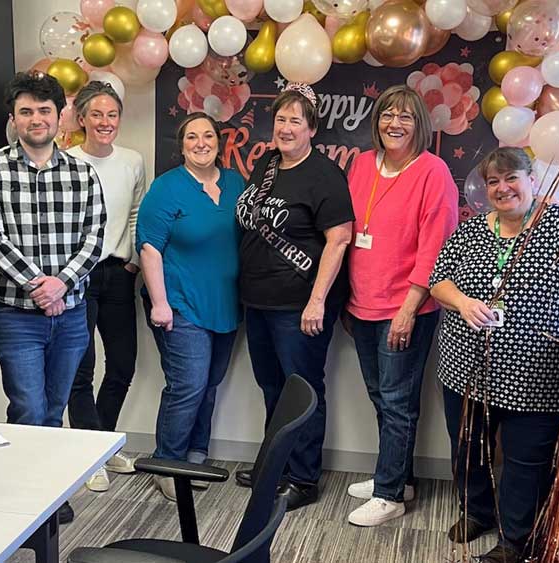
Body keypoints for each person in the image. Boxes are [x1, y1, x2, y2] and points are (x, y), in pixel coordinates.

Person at [428, 147, 559, 562]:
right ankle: (477, 511)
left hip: (536, 373)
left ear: (531, 179)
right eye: (494, 182)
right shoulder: (470, 232)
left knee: (525, 459)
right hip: (466, 367)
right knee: (466, 445)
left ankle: (514, 541)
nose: (504, 189)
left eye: (512, 178)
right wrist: (463, 302)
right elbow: (437, 282)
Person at [0, 72, 106, 524]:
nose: (36, 119)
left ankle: (46, 491)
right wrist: (39, 286)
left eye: (45, 110)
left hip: (71, 313)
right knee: (27, 406)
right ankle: (29, 497)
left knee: (55, 406)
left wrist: (62, 284)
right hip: (15, 313)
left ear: (60, 116)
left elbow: (94, 237)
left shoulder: (82, 173)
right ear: (13, 118)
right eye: (26, 111)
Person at [233, 83, 355, 510]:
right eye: (281, 119)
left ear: (312, 129)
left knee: (303, 389)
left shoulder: (324, 175)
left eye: (295, 121)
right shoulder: (267, 164)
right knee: (271, 386)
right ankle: (275, 464)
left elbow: (339, 240)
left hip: (300, 305)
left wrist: (318, 301)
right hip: (260, 301)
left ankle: (303, 477)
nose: (286, 128)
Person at [342, 85, 459, 526]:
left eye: (406, 117)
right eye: (388, 114)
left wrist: (410, 307)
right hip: (362, 304)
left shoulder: (433, 172)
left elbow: (437, 246)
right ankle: (398, 476)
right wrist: (346, 302)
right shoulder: (359, 165)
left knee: (397, 401)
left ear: (419, 126)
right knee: (381, 397)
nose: (395, 123)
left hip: (405, 306)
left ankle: (389, 494)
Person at [136, 112, 244, 502]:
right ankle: (167, 461)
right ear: (181, 146)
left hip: (226, 304)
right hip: (179, 303)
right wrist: (161, 304)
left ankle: (196, 455)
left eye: (208, 135)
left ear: (220, 141)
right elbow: (149, 248)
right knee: (188, 384)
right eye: (192, 137)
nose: (201, 143)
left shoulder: (235, 183)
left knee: (210, 383)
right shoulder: (167, 189)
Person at [64, 81, 147, 492]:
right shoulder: (64, 161)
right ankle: (87, 455)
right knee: (80, 368)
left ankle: (101, 443)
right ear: (81, 119)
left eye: (111, 115)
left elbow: (135, 213)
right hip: (76, 278)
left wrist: (132, 261)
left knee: (122, 364)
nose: (104, 122)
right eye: (96, 114)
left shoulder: (132, 161)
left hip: (117, 273)